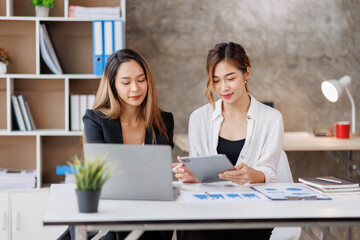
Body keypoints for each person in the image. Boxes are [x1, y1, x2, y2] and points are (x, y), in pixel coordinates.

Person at [58, 49, 174, 240]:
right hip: (108, 210)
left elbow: (158, 175)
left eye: (141, 80)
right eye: (126, 82)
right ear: (112, 85)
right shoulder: (95, 119)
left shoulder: (163, 121)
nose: (135, 88)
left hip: (149, 212)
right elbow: (100, 173)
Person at [173, 42, 284, 240]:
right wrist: (191, 175)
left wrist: (253, 175)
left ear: (246, 73)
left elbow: (270, 174)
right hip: (208, 209)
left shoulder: (271, 118)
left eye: (230, 78)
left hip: (252, 212)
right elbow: (200, 174)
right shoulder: (199, 118)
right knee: (191, 225)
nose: (223, 87)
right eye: (215, 81)